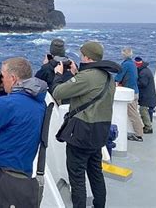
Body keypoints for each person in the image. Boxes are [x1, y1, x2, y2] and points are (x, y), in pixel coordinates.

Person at [51, 41, 120, 208]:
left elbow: (57, 92)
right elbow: (92, 91)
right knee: (96, 174)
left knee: (77, 178)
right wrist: (77, 73)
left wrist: (59, 75)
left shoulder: (87, 77)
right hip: (99, 134)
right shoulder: (109, 78)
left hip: (82, 134)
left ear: (87, 57)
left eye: (82, 55)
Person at [0, 57, 47, 207]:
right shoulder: (39, 102)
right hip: (22, 173)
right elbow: (9, 113)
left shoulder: (10, 104)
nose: (1, 79)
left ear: (13, 78)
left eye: (3, 75)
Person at [115, 47, 144, 142]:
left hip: (129, 93)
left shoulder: (125, 65)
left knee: (132, 114)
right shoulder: (133, 64)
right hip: (135, 91)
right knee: (135, 112)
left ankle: (139, 134)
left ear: (123, 54)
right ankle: (140, 130)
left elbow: (118, 77)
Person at [134, 56, 156, 134]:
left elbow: (143, 83)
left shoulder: (143, 72)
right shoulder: (146, 70)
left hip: (146, 96)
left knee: (143, 111)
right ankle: (148, 125)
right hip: (149, 95)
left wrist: (134, 82)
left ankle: (148, 127)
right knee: (148, 111)